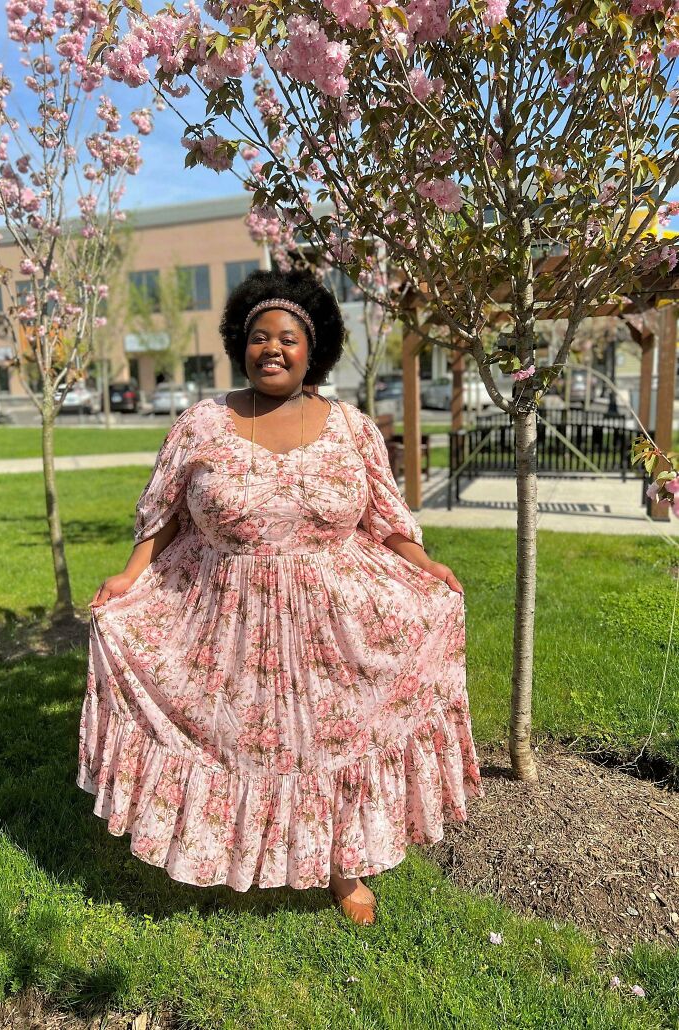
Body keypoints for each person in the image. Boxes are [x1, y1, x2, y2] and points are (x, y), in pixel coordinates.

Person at [78, 268, 483, 927]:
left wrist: (424, 564)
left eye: (288, 338)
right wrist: (129, 577)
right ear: (241, 345)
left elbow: (384, 516)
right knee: (242, 741)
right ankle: (225, 849)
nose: (272, 348)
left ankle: (343, 865)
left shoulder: (352, 428)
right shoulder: (200, 424)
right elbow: (164, 514)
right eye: (259, 337)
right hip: (222, 612)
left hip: (337, 617)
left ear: (311, 350)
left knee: (328, 739)